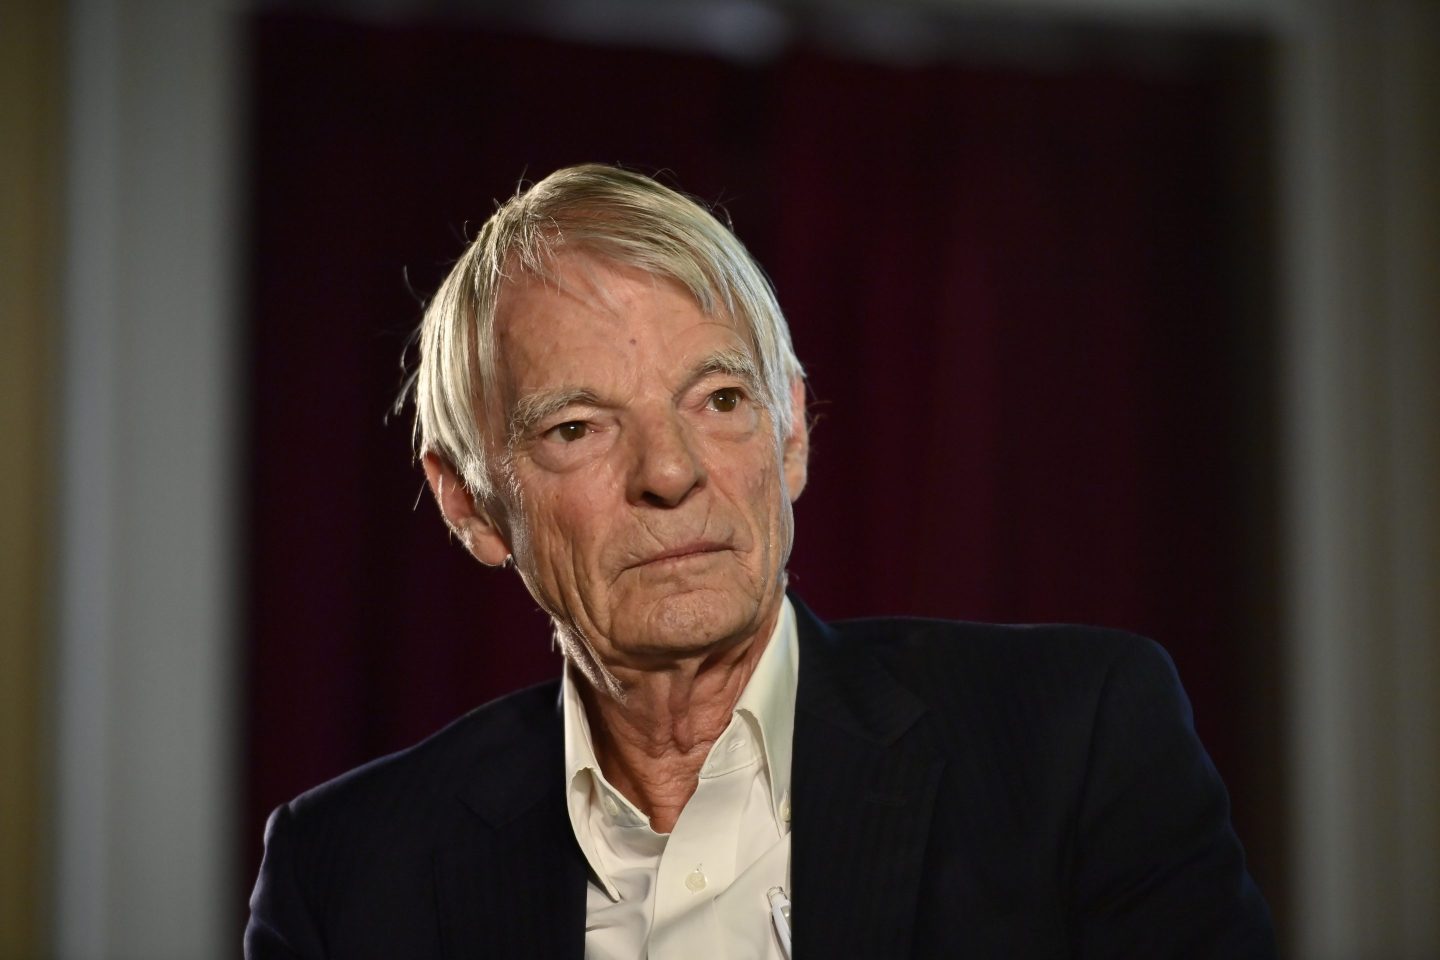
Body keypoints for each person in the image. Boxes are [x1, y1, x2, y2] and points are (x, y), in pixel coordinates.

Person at [246, 164, 1276, 959]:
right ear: (469, 503)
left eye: (721, 399)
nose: (669, 471)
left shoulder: (1075, 743)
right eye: (577, 427)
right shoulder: (345, 877)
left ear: (791, 435)